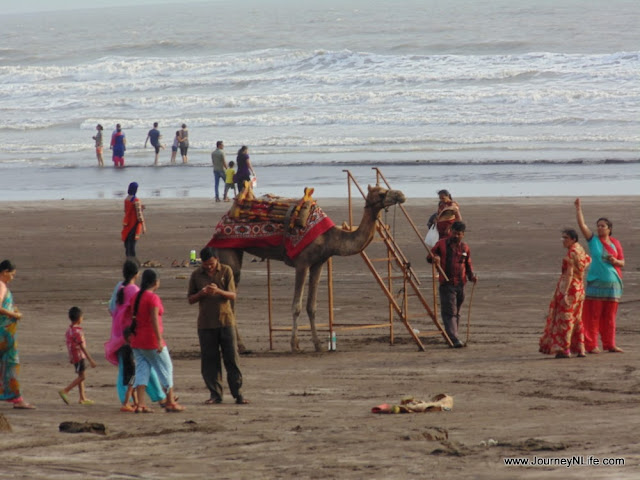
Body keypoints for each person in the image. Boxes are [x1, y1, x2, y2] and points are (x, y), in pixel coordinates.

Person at [188, 247, 248, 405]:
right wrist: (202, 293)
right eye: (206, 264)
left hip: (226, 321)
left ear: (217, 260)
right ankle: (215, 394)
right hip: (206, 324)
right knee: (209, 361)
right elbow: (190, 299)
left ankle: (238, 394)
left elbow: (233, 295)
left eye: (212, 264)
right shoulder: (196, 275)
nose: (209, 267)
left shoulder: (226, 271)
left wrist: (219, 292)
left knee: (232, 359)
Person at [105, 260, 167, 412]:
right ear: (137, 274)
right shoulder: (134, 290)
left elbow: (111, 308)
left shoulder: (119, 286)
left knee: (127, 369)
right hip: (131, 335)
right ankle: (156, 396)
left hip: (118, 334)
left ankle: (130, 399)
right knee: (143, 366)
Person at [127, 269, 184, 412]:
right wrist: (159, 340)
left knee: (142, 369)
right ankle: (170, 401)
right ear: (155, 282)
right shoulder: (152, 298)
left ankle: (140, 404)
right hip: (150, 339)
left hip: (137, 339)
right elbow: (154, 320)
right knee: (166, 368)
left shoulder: (136, 296)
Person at [574, 198, 625, 353]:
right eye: (598, 226)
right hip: (596, 283)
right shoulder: (593, 240)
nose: (600, 228)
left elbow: (622, 262)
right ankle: (591, 345)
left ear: (609, 229)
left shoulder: (615, 243)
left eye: (603, 226)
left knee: (609, 317)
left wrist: (615, 260)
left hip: (613, 284)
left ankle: (610, 344)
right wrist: (578, 209)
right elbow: (582, 226)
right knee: (592, 316)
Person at [539, 229, 592, 358]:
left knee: (565, 318)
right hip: (579, 287)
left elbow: (569, 274)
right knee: (577, 318)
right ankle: (580, 349)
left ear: (573, 239)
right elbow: (588, 260)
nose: (563, 241)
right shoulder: (580, 249)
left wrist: (564, 293)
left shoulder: (571, 254)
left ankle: (564, 348)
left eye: (566, 238)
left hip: (571, 287)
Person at [427, 221, 477, 348]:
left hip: (461, 284)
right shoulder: (442, 244)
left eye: (459, 234)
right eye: (454, 233)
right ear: (451, 232)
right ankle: (454, 339)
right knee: (450, 311)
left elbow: (468, 264)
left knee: (457, 311)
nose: (456, 236)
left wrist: (471, 277)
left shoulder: (465, 247)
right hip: (447, 283)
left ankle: (453, 335)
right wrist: (435, 258)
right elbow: (430, 256)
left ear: (463, 235)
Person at [0, 260, 35, 409]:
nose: (12, 278)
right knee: (11, 363)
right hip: (4, 334)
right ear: (4, 272)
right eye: (12, 274)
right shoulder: (1, 286)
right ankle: (16, 398)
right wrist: (15, 315)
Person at [59, 306, 97, 405]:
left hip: (74, 356)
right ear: (79, 318)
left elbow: (69, 344)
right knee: (82, 376)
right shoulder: (77, 331)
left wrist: (71, 357)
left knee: (80, 375)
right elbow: (82, 347)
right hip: (79, 356)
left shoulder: (69, 330)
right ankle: (65, 390)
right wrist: (90, 360)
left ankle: (82, 398)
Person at [121, 182, 146, 265]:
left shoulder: (126, 199)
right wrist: (143, 226)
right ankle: (133, 260)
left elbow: (126, 211)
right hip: (134, 224)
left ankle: (128, 258)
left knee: (128, 242)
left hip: (127, 223)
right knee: (132, 243)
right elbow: (139, 215)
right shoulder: (136, 200)